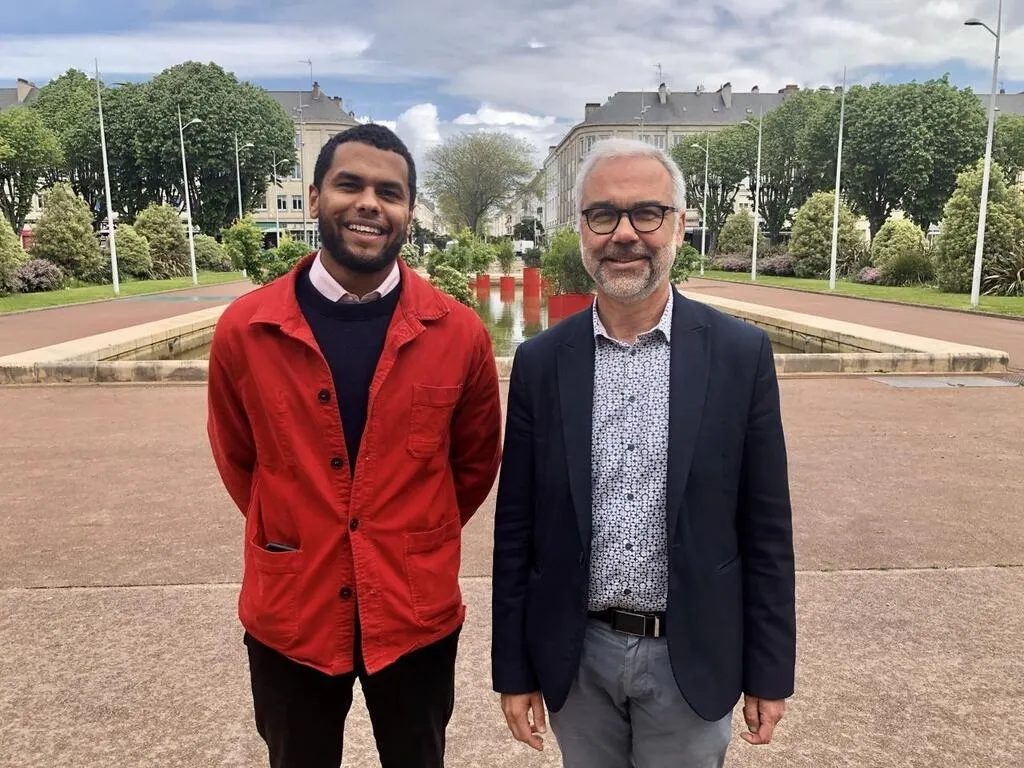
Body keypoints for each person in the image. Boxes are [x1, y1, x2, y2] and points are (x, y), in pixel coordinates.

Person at [491, 137, 796, 767]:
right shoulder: (542, 363)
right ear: (582, 230)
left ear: (679, 226)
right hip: (577, 657)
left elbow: (766, 528)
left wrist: (770, 670)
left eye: (646, 214)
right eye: (603, 215)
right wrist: (513, 669)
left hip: (693, 652)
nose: (623, 234)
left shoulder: (740, 356)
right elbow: (515, 529)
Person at [207, 123, 503, 768]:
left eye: (389, 192)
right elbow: (239, 460)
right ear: (314, 198)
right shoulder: (246, 329)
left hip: (413, 609)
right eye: (350, 185)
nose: (370, 203)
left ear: (408, 213)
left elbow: (474, 466)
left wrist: (407, 532)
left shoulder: (458, 334)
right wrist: (297, 529)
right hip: (294, 610)